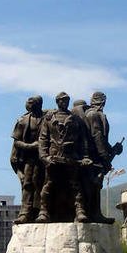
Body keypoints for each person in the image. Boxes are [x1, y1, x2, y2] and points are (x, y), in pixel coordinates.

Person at [37, 92, 92, 223]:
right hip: (54, 157)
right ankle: (43, 211)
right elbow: (43, 139)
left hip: (71, 157)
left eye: (67, 100)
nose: (64, 102)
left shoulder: (76, 119)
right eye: (62, 100)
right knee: (49, 184)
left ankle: (80, 211)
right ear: (57, 102)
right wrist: (44, 157)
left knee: (75, 185)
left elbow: (83, 140)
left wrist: (85, 156)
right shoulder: (49, 118)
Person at [84, 92, 123, 223]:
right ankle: (93, 214)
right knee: (93, 185)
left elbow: (102, 139)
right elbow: (97, 137)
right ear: (103, 102)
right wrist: (105, 157)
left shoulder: (92, 114)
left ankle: (95, 213)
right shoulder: (93, 114)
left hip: (96, 155)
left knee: (96, 185)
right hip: (93, 156)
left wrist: (113, 149)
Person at [10, 96, 45, 223]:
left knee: (44, 185)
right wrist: (30, 146)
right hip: (30, 158)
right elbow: (17, 142)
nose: (28, 105)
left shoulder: (47, 118)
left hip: (45, 158)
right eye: (28, 103)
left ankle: (42, 212)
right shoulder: (23, 121)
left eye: (30, 103)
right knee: (28, 184)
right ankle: (25, 213)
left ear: (38, 104)